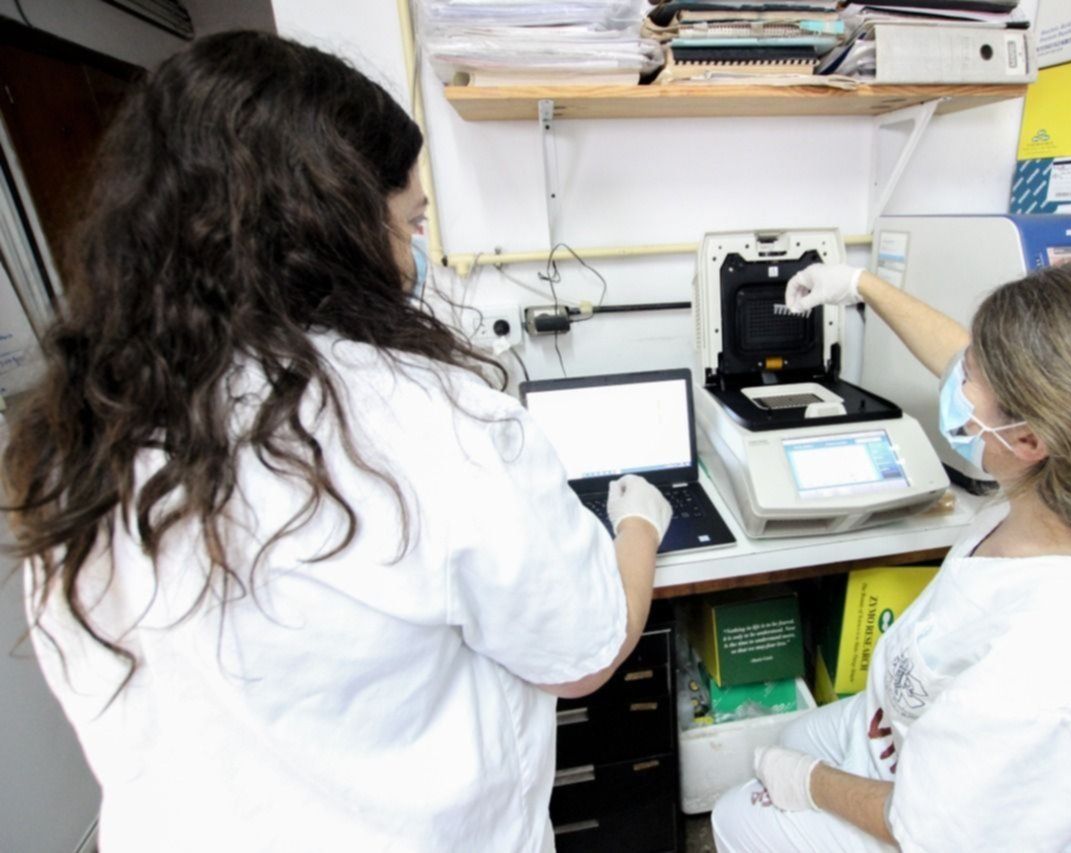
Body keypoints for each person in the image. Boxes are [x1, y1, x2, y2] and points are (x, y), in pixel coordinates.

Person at [1, 32, 672, 852]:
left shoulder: (73, 436)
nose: (417, 255)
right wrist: (639, 522)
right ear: (336, 227)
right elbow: (585, 651)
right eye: (411, 221)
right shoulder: (428, 421)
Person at [711, 259, 1071, 852]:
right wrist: (861, 285)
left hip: (944, 827)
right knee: (794, 737)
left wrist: (810, 784)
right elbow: (963, 361)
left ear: (1029, 439)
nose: (955, 377)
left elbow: (932, 832)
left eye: (971, 375)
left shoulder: (1059, 666)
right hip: (904, 737)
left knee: (734, 816)